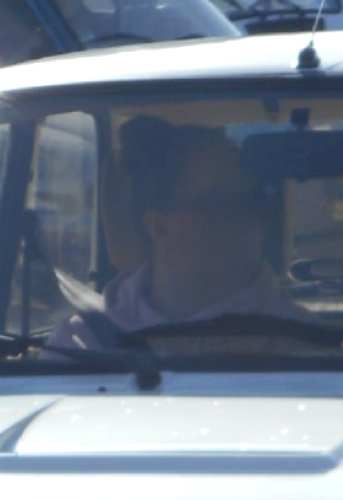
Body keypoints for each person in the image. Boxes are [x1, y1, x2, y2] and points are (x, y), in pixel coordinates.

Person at [49, 118, 308, 355]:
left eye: (251, 199)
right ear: (158, 226)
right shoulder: (81, 344)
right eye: (214, 204)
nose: (241, 217)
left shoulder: (304, 344)